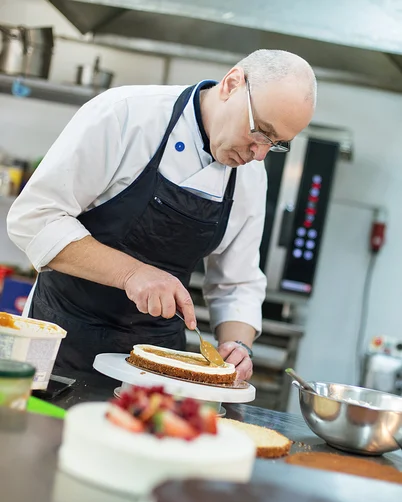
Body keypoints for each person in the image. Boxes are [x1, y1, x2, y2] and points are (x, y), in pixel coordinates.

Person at [7, 49, 316, 379]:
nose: (260, 153)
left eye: (277, 143)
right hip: (58, 338)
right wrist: (132, 274)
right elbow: (34, 218)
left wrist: (239, 345)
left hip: (155, 362)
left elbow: (237, 283)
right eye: (260, 130)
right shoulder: (126, 114)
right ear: (232, 84)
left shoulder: (251, 176)